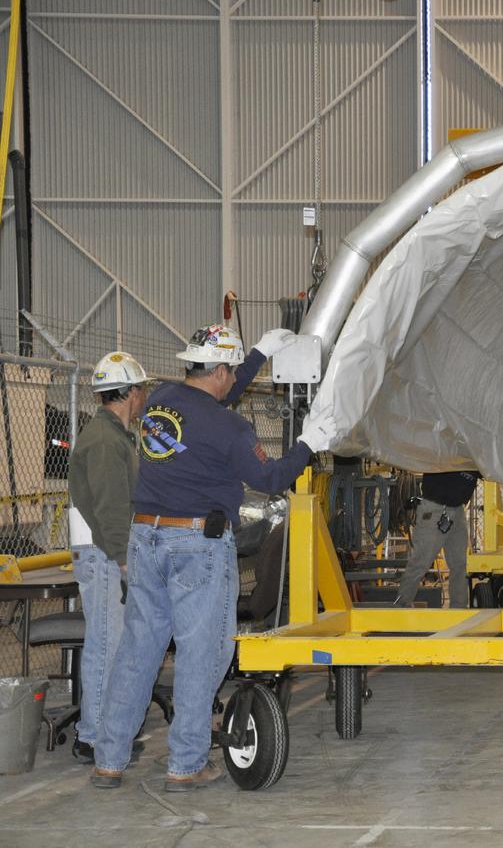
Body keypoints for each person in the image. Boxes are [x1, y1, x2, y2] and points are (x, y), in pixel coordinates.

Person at [91, 325, 334, 792]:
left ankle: (109, 761)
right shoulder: (229, 427)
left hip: (146, 537)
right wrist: (309, 443)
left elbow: (215, 398)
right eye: (232, 372)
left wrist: (259, 354)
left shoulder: (161, 399)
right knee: (201, 656)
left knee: (138, 653)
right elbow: (269, 477)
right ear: (220, 370)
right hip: (195, 546)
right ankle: (185, 766)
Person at [67, 351, 151, 764]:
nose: (144, 399)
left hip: (104, 550)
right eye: (142, 390)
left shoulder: (112, 436)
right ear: (131, 393)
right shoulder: (104, 441)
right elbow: (111, 507)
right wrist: (122, 560)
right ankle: (95, 736)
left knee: (113, 643)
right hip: (104, 553)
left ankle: (106, 730)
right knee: (106, 642)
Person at [395, 471, 480, 608]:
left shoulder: (474, 454)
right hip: (434, 509)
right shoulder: (445, 451)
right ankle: (401, 606)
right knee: (420, 562)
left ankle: (459, 608)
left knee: (459, 564)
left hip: (457, 510)